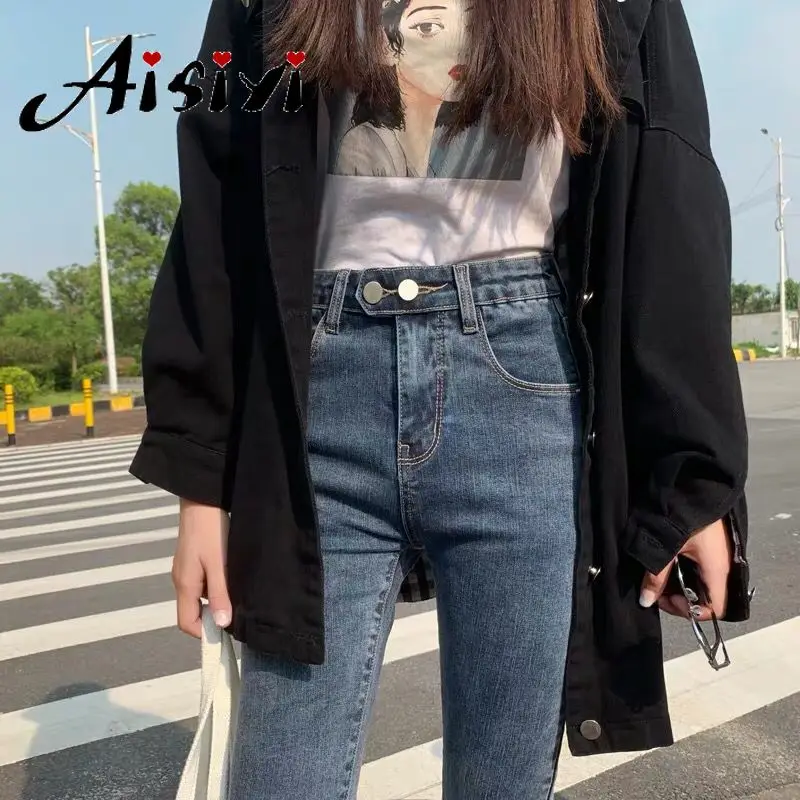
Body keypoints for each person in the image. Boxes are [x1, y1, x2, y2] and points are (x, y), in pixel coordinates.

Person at [130, 0, 752, 798]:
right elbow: (218, 192)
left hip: (522, 384)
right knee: (277, 778)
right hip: (318, 392)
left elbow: (670, 191)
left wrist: (691, 484)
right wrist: (202, 485)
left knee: (501, 780)